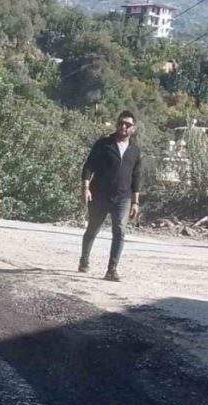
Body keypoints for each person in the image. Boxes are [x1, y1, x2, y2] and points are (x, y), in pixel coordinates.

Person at [79, 110, 144, 282]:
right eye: (121, 123)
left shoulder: (135, 150)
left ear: (134, 128)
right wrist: (85, 187)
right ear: (116, 124)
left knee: (120, 232)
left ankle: (112, 269)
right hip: (99, 195)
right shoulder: (103, 144)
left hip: (123, 197)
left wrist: (135, 201)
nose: (123, 127)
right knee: (93, 229)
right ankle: (84, 260)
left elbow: (136, 176)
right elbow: (89, 166)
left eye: (128, 125)